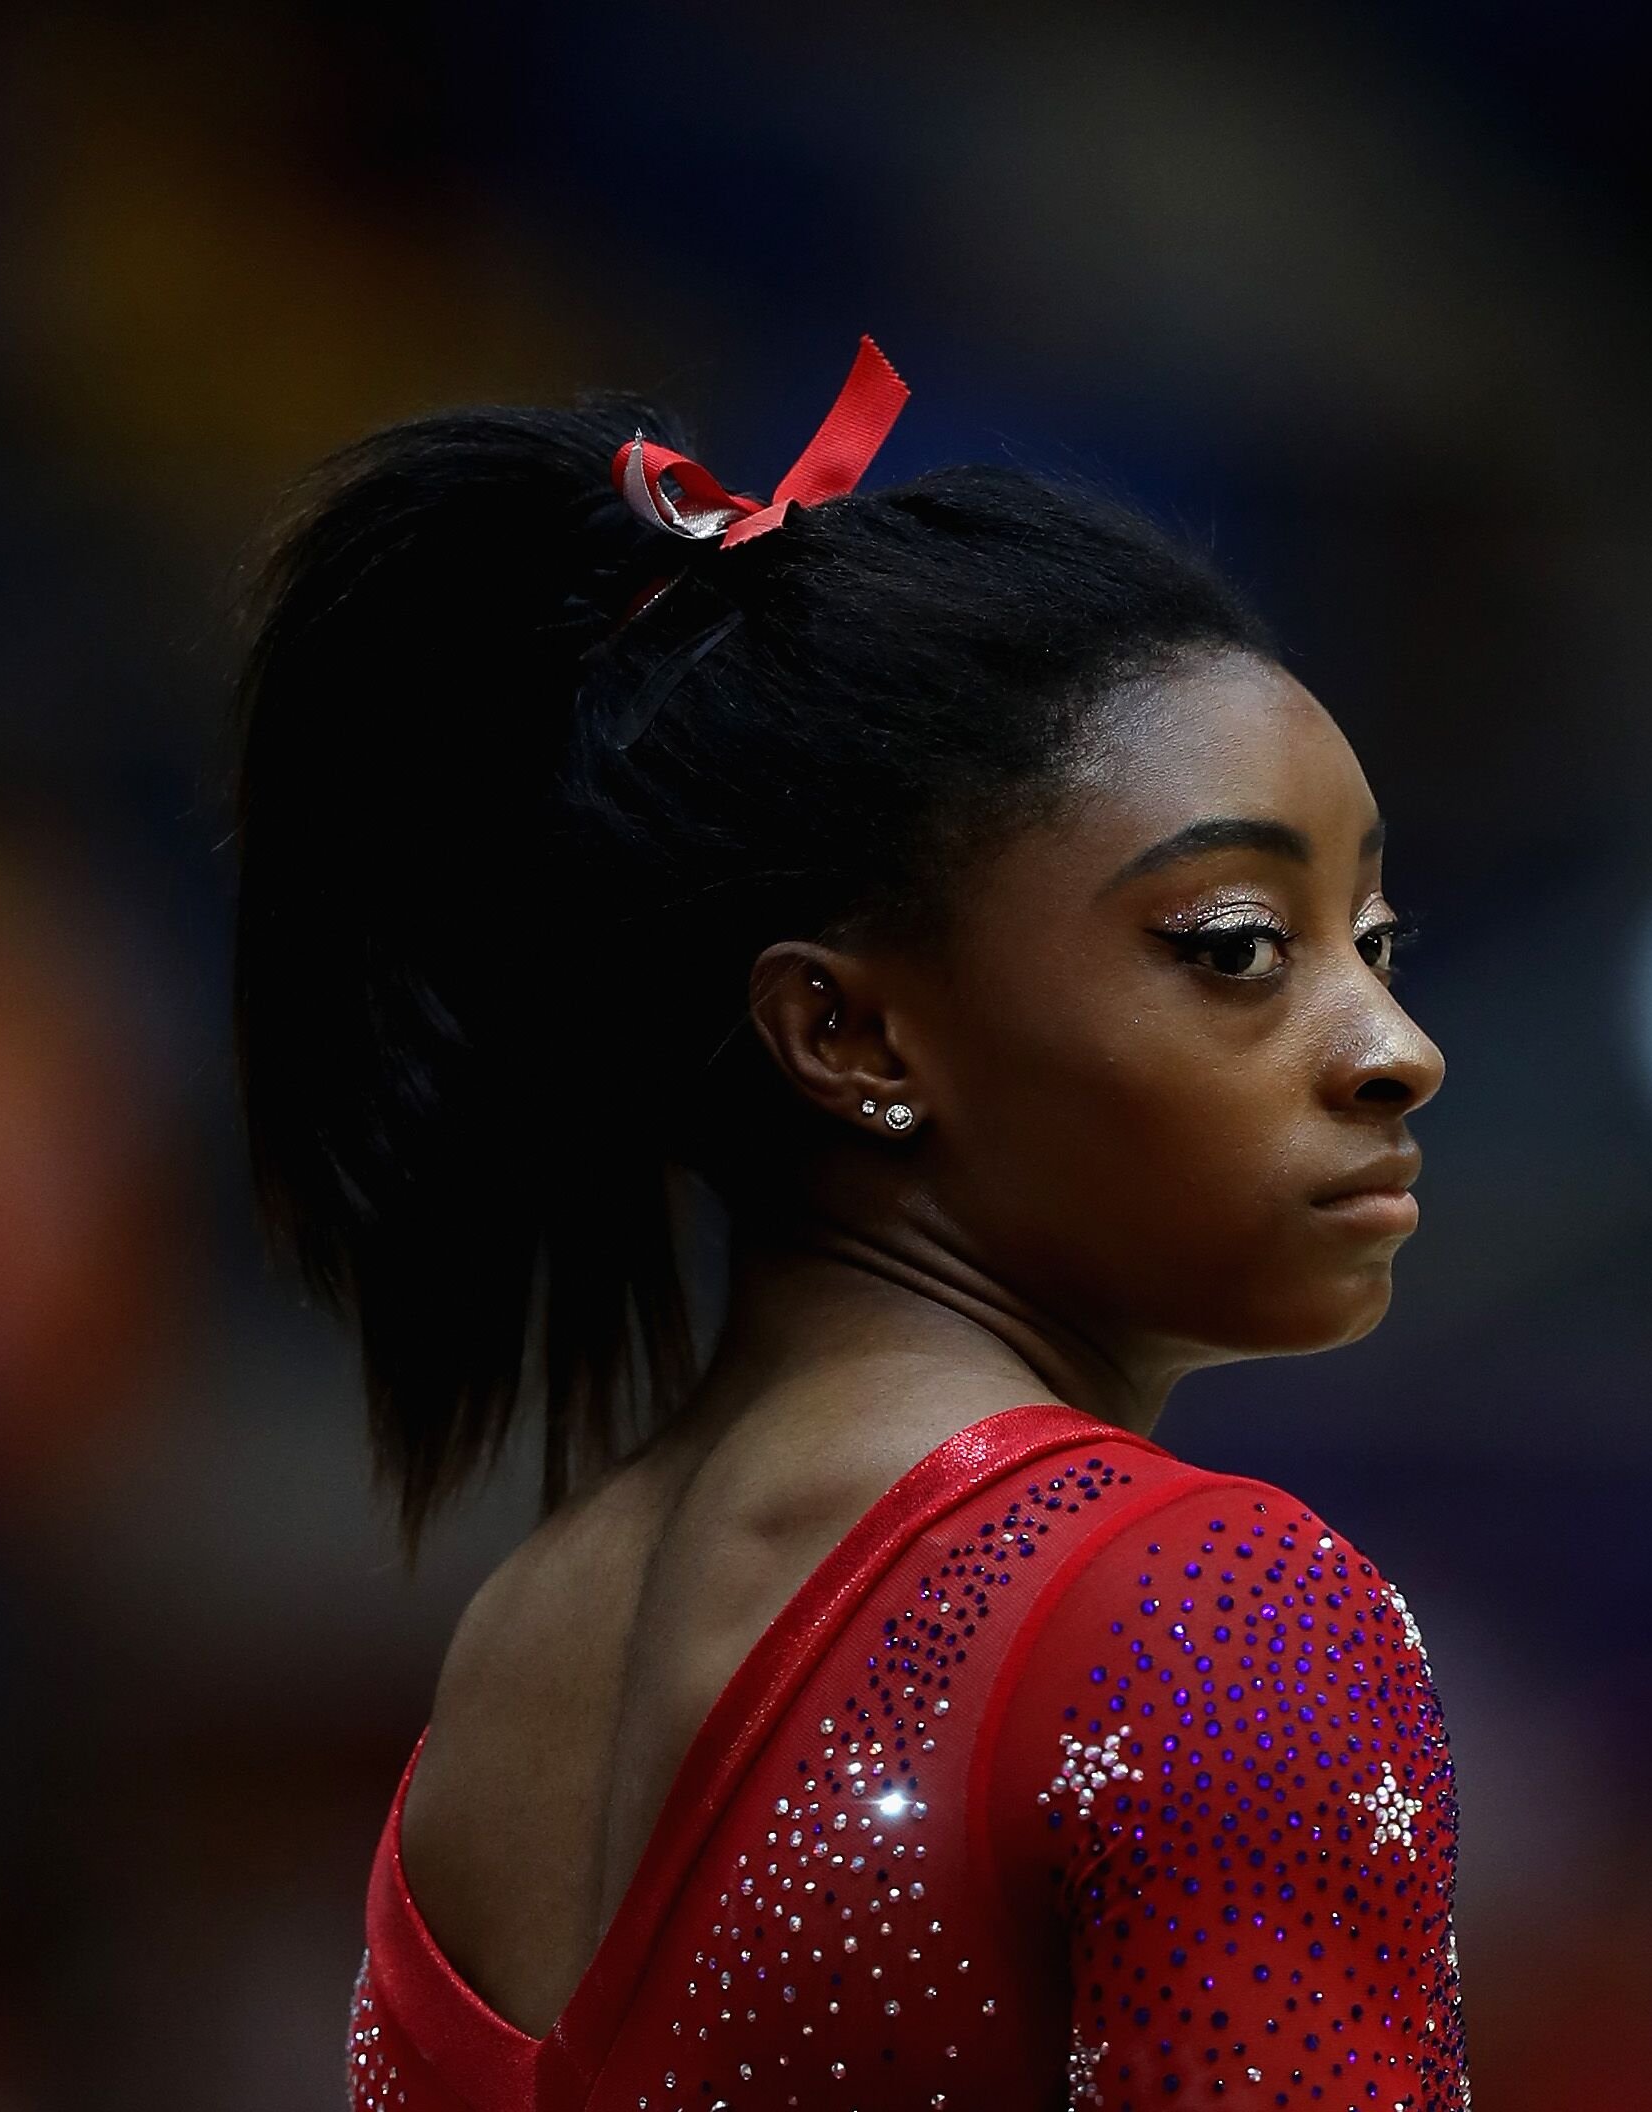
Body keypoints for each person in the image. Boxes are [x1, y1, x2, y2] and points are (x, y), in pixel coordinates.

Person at [233, 340, 1460, 2111]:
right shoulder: (1200, 1615)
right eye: (1235, 949)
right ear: (850, 1031)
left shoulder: (520, 1654)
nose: (1393, 1052)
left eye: (1377, 943)